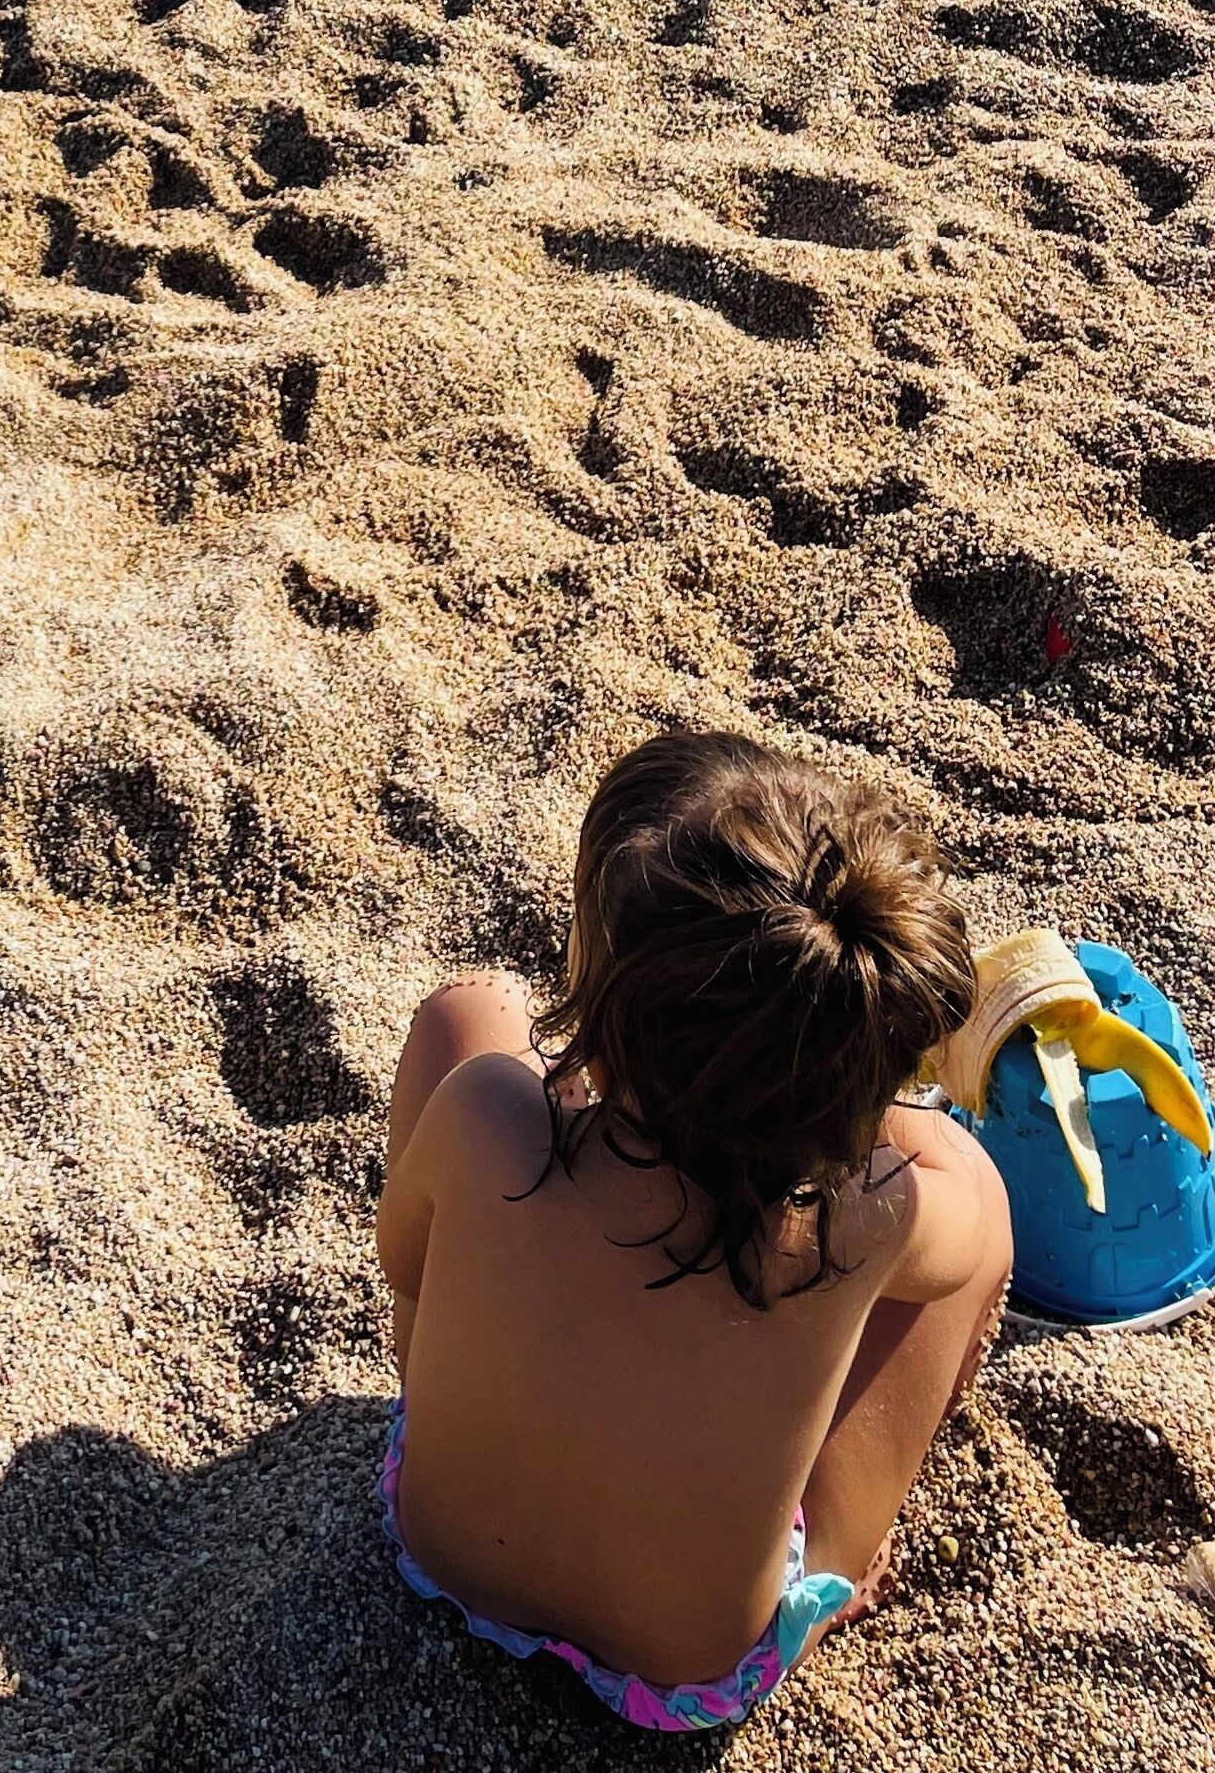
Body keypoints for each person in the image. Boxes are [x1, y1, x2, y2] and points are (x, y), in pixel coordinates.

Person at [373, 731, 1012, 1732]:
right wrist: (866, 1098)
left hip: (440, 1551)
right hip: (689, 1670)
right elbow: (964, 1232)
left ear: (609, 993)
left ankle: (484, 1433)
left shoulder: (484, 1118)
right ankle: (838, 1561)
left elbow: (402, 1264)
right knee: (975, 1198)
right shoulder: (858, 1217)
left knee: (467, 1012)